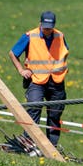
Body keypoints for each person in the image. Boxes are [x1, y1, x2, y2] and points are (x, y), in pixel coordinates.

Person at [9, 11, 69, 146]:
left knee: (55, 114)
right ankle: (28, 143)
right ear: (40, 24)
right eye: (45, 27)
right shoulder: (30, 36)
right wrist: (21, 70)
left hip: (57, 81)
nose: (48, 30)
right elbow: (13, 53)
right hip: (36, 81)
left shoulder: (60, 36)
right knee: (34, 108)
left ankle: (51, 146)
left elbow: (64, 53)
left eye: (50, 27)